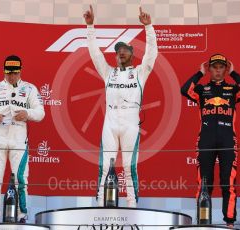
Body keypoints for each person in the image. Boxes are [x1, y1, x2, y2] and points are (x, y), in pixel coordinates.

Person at [84, 5, 158, 207]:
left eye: (125, 50)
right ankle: (100, 204)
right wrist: (90, 26)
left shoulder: (140, 72)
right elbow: (95, 54)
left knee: (128, 166)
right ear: (115, 56)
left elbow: (151, 53)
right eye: (118, 51)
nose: (121, 52)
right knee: (105, 165)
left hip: (130, 123)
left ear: (132, 55)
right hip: (110, 122)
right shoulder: (109, 73)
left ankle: (132, 205)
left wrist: (148, 26)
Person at [181, 54, 240, 227]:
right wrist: (199, 73)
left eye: (222, 67)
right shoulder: (200, 90)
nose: (218, 70)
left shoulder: (233, 91)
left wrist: (235, 74)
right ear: (210, 69)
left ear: (225, 70)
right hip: (205, 141)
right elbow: (184, 90)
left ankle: (229, 222)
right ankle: (202, 221)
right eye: (214, 67)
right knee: (204, 184)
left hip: (228, 141)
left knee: (228, 183)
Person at [0, 55, 45, 223]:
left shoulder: (30, 89)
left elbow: (41, 112)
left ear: (20, 71)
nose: (11, 76)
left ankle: (22, 216)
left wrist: (28, 113)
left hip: (18, 138)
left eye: (14, 73)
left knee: (21, 179)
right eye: (8, 73)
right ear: (4, 71)